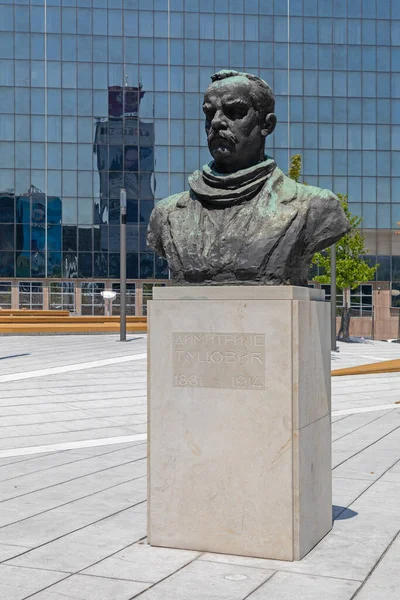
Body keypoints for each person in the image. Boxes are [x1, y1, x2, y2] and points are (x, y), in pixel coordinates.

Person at [147, 70, 350, 286]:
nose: (217, 122)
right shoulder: (167, 214)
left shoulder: (313, 207)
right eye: (209, 114)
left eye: (234, 112)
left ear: (267, 125)